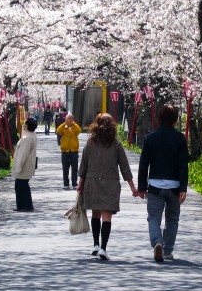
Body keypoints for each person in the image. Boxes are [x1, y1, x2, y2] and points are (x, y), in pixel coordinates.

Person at [77, 113, 137, 260]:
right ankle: (104, 248)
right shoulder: (116, 144)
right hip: (110, 183)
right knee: (107, 216)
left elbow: (83, 165)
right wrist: (133, 187)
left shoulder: (90, 143)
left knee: (95, 213)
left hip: (92, 182)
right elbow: (125, 168)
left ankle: (96, 244)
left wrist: (80, 183)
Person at [137, 104, 188, 262]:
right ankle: (167, 250)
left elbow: (144, 164)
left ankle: (157, 242)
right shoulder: (180, 138)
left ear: (159, 118)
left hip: (155, 185)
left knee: (153, 217)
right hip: (174, 186)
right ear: (175, 119)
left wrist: (141, 187)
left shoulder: (150, 138)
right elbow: (183, 165)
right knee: (172, 218)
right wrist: (183, 188)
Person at [11, 118, 38, 212]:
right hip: (28, 164)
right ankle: (23, 206)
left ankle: (26, 206)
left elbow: (23, 154)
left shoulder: (27, 138)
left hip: (24, 166)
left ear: (27, 126)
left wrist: (19, 166)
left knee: (21, 186)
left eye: (25, 124)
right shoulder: (31, 135)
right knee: (22, 186)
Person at [56, 113, 81, 189]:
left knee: (74, 167)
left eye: (71, 119)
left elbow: (79, 131)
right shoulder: (64, 127)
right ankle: (66, 184)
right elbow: (58, 131)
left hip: (74, 150)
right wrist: (64, 124)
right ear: (65, 119)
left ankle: (74, 183)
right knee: (65, 168)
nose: (69, 120)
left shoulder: (75, 127)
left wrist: (73, 123)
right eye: (68, 119)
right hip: (65, 150)